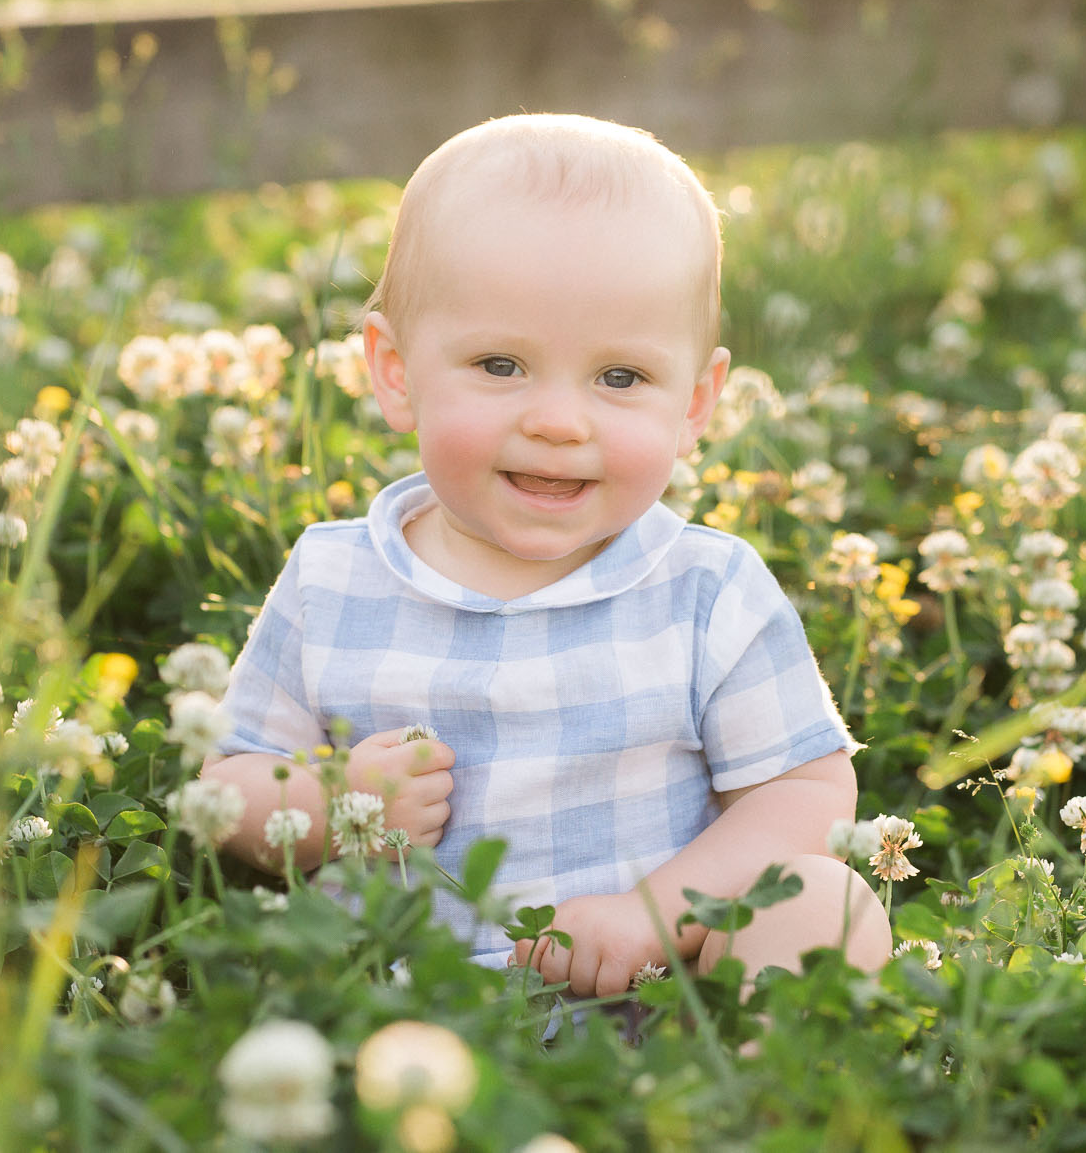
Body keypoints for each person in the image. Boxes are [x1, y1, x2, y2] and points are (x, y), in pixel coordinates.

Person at [201, 113, 891, 995]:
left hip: (664, 1001)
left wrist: (653, 913)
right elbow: (228, 786)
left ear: (695, 403)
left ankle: (759, 1077)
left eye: (620, 377)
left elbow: (804, 795)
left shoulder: (706, 590)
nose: (559, 422)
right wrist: (336, 800)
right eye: (500, 365)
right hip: (402, 1013)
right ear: (396, 370)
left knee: (826, 902)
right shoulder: (333, 580)